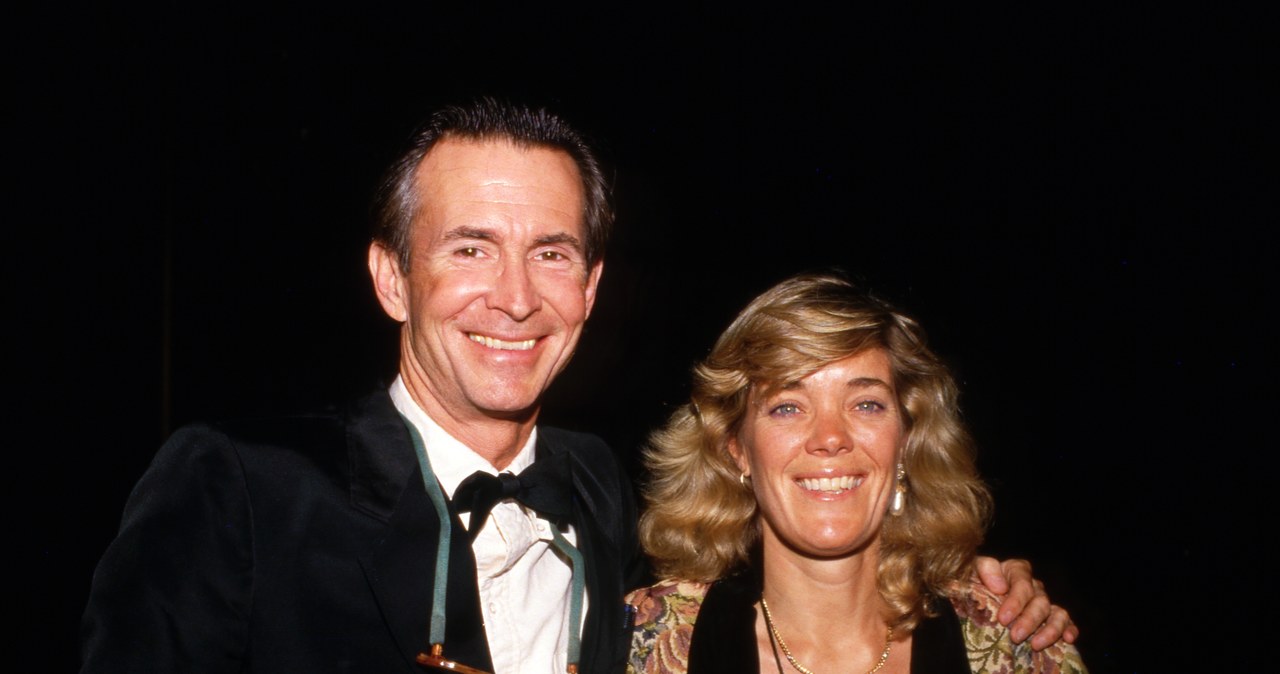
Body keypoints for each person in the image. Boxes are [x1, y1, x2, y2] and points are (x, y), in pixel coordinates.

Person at [81, 100, 1071, 674]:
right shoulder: (240, 487)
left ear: (590, 287)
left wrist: (980, 577)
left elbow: (799, 515)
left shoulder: (597, 493)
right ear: (391, 275)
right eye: (469, 247)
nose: (514, 297)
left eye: (551, 253)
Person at [627, 274, 1087, 674]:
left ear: (905, 440)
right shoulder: (642, 643)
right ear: (737, 452)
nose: (830, 438)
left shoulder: (1011, 644)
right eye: (787, 407)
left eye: (866, 404)